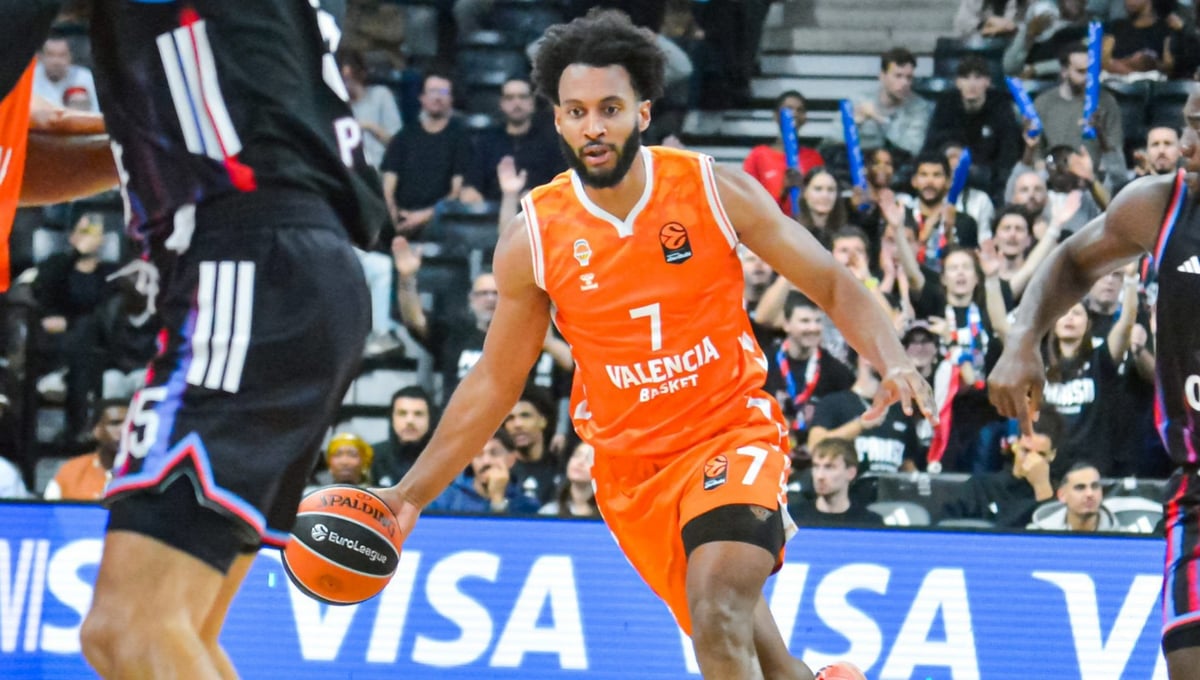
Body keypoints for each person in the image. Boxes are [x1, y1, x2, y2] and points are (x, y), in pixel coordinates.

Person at [376, 11, 932, 679]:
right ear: (557, 121)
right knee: (755, 654)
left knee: (718, 614)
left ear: (642, 111)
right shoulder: (534, 239)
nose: (593, 126)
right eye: (577, 111)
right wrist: (409, 494)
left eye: (609, 109)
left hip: (729, 432)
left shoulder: (713, 190)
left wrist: (893, 359)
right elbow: (497, 380)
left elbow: (833, 282)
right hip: (630, 471)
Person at [3, 2, 390, 678]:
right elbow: (36, 150)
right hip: (294, 270)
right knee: (180, 633)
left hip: (246, 265)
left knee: (131, 629)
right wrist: (127, 135)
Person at [988, 89, 1200, 680]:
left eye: (1199, 128)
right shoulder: (1160, 203)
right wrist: (1023, 339)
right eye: (1186, 123)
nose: (1184, 145)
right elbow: (1074, 261)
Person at [742, 90, 825, 219]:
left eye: (800, 110)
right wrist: (784, 191)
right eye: (789, 109)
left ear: (805, 118)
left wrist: (802, 188)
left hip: (806, 227)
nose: (794, 113)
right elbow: (748, 202)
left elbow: (822, 201)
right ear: (776, 116)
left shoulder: (814, 157)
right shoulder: (758, 156)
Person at [426, 428, 541, 514]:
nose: (486, 461)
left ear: (511, 459)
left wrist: (497, 499)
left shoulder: (526, 504)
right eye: (478, 455)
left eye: (494, 453)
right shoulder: (445, 499)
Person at [789, 438, 884, 527]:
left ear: (851, 473)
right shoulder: (792, 518)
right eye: (816, 466)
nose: (819, 476)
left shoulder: (870, 523)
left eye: (829, 467)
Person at [44, 400, 128, 501]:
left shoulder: (143, 472)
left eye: (129, 424)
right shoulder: (71, 471)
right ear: (96, 430)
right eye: (115, 423)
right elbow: (48, 509)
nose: (124, 430)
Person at [1027, 459, 1127, 531]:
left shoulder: (1125, 539)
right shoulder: (1035, 535)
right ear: (1062, 495)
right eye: (1080, 488)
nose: (1090, 494)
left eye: (1095, 486)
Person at [370, 386, 434, 486]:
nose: (410, 421)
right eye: (402, 413)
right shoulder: (372, 457)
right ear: (392, 418)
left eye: (418, 414)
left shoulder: (444, 459)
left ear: (430, 418)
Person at [539, 440, 600, 517]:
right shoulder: (549, 512)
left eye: (589, 459)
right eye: (577, 455)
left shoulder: (610, 515)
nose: (580, 462)